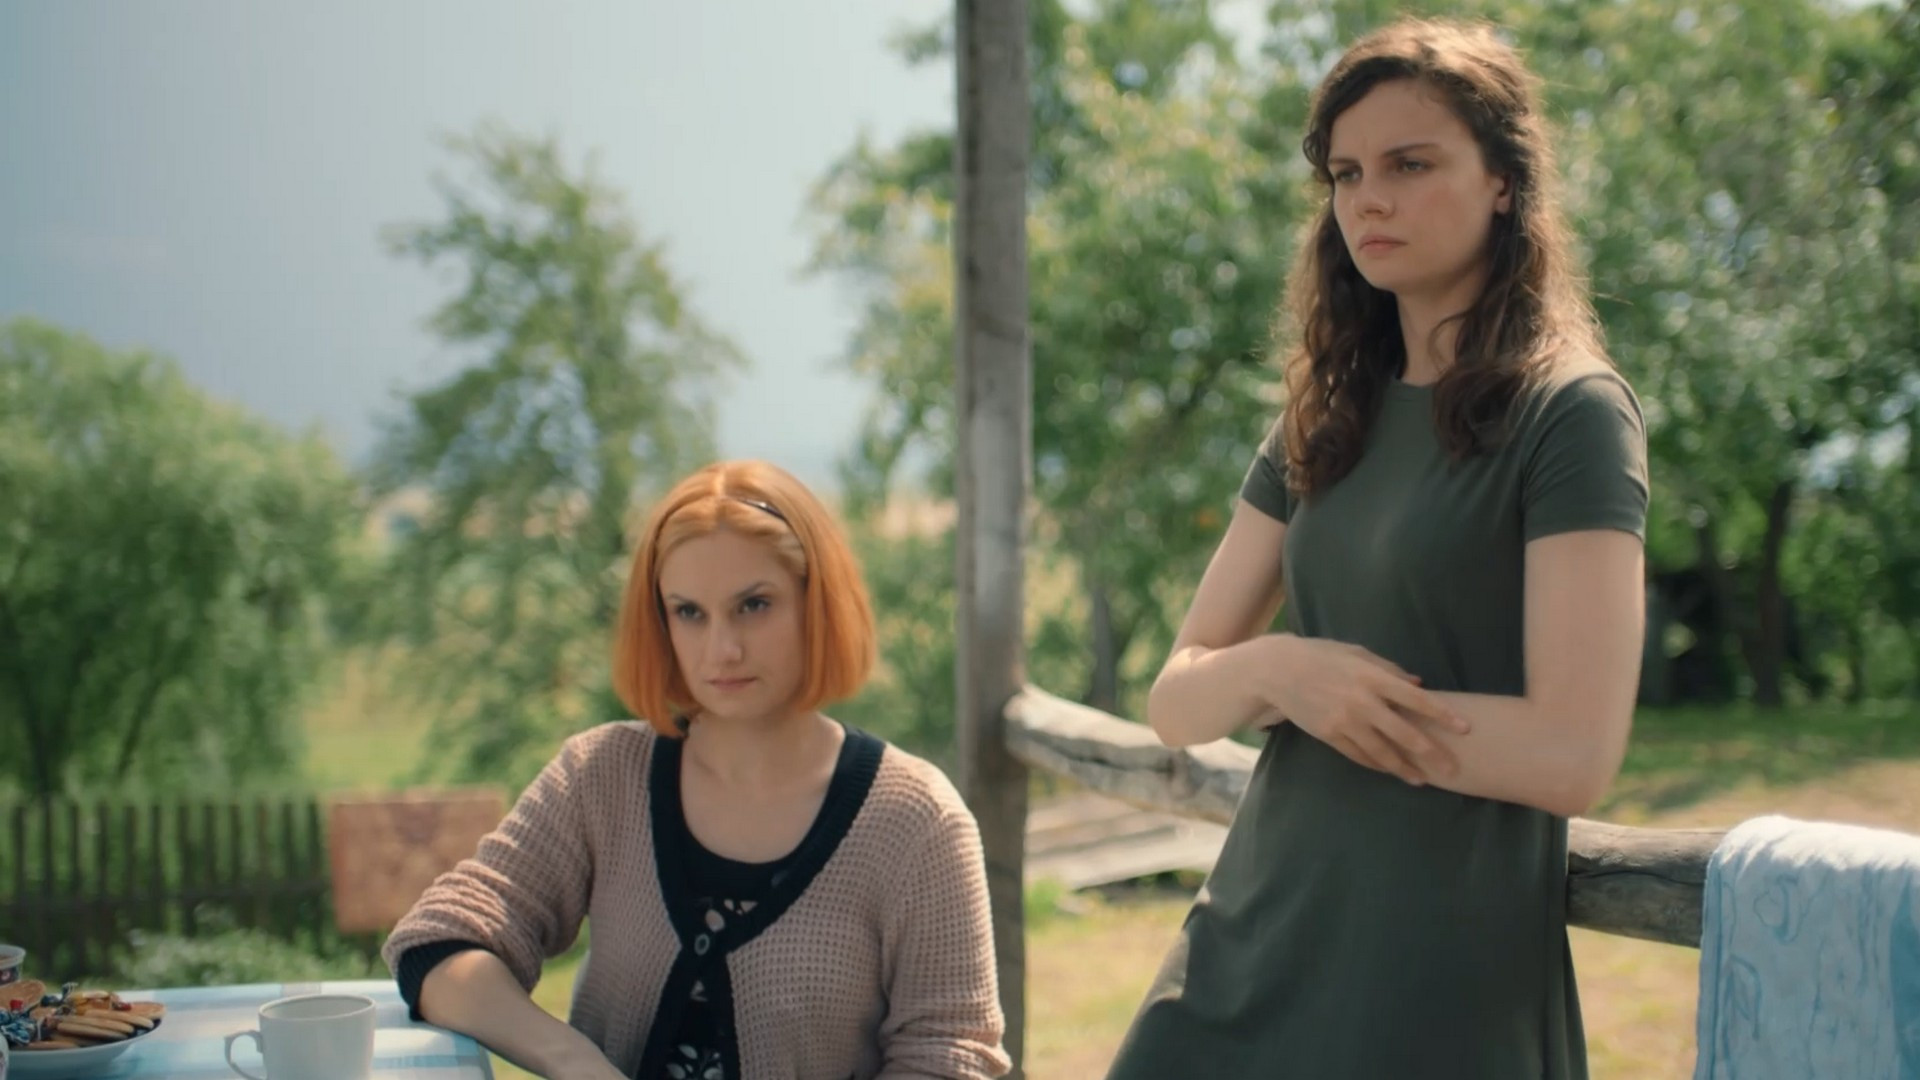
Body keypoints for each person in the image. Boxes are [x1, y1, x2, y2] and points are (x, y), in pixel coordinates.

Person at [1105, 17, 1648, 1080]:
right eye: (1346, 174)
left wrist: (1335, 702)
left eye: (1410, 164)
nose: (1369, 200)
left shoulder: (1572, 413)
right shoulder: (1322, 416)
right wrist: (1284, 670)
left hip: (1431, 970)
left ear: (1504, 181)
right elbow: (1177, 701)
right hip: (1245, 943)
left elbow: (1572, 754)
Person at [382, 460, 1010, 1080]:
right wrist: (574, 1061)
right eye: (689, 612)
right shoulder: (602, 777)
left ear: (817, 604)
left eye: (754, 605)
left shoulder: (916, 821)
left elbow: (950, 1056)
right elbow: (441, 943)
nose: (722, 650)